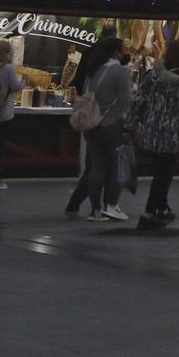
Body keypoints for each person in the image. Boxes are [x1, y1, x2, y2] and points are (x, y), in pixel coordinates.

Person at [129, 39, 179, 228]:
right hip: (173, 135)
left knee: (161, 170)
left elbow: (138, 101)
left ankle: (163, 208)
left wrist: (131, 126)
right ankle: (149, 213)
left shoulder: (153, 76)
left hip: (151, 132)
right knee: (164, 174)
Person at [74, 36, 132, 222]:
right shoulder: (120, 71)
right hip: (113, 124)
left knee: (96, 168)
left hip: (92, 124)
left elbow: (85, 91)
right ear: (116, 52)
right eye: (123, 48)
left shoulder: (93, 70)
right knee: (118, 167)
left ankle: (95, 210)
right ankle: (112, 206)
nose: (125, 52)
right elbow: (126, 102)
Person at [0, 38, 27, 190]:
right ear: (6, 53)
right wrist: (25, 83)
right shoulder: (8, 68)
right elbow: (16, 87)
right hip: (2, 114)